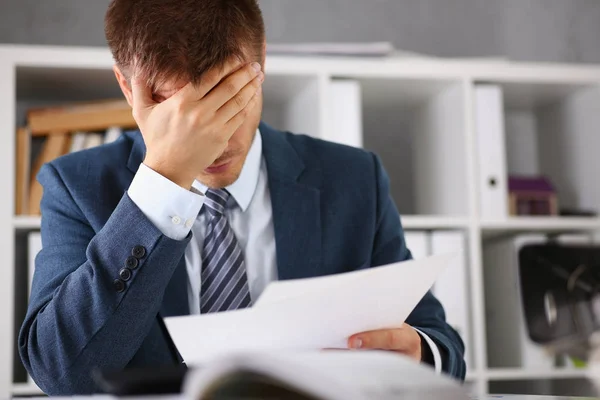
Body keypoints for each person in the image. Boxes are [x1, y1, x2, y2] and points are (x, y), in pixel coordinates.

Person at [19, 0, 465, 395]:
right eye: (181, 113)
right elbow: (60, 374)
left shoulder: (353, 179)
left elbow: (441, 345)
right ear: (126, 87)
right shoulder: (75, 185)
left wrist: (420, 353)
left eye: (231, 100)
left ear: (261, 62)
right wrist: (164, 181)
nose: (216, 140)